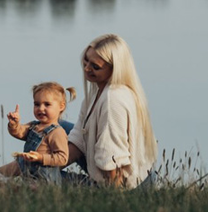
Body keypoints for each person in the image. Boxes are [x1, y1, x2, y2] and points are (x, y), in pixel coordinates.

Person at [65, 34, 156, 188]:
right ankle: (35, 170)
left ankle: (30, 175)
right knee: (49, 128)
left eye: (95, 66)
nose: (87, 69)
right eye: (86, 60)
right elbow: (79, 138)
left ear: (114, 69)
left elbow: (112, 156)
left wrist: (115, 197)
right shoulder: (96, 91)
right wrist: (49, 161)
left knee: (38, 174)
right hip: (116, 172)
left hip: (125, 186)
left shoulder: (113, 99)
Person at [0, 82, 77, 183]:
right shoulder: (34, 126)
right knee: (19, 163)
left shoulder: (57, 132)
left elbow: (62, 158)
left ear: (61, 106)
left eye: (47, 104)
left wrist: (40, 157)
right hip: (27, 170)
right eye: (37, 104)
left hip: (45, 177)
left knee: (24, 174)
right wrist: (14, 124)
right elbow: (20, 132)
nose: (41, 108)